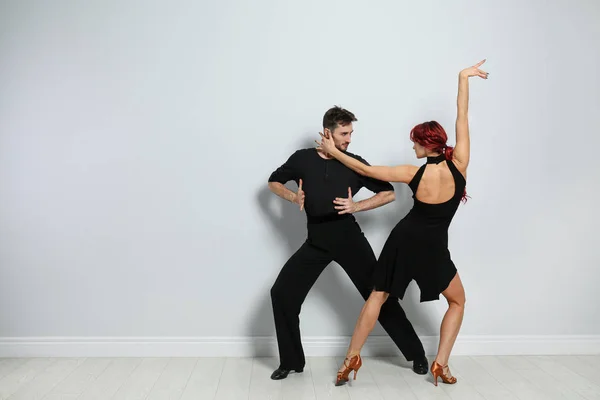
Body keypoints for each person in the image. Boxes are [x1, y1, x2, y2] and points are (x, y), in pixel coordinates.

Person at [315, 60, 489, 386]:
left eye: (415, 143)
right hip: (434, 248)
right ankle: (441, 364)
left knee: (377, 297)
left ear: (426, 144)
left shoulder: (413, 173)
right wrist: (464, 77)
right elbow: (461, 116)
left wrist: (333, 151)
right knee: (458, 301)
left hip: (403, 241)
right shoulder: (460, 164)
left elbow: (367, 171)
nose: (412, 147)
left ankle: (351, 358)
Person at [267, 106, 429, 380]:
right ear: (326, 133)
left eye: (351, 133)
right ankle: (291, 361)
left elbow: (389, 193)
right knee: (282, 293)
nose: (349, 138)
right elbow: (273, 182)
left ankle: (417, 354)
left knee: (378, 297)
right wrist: (293, 197)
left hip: (348, 240)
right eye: (344, 133)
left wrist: (357, 206)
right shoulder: (302, 159)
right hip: (316, 241)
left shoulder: (353, 162)